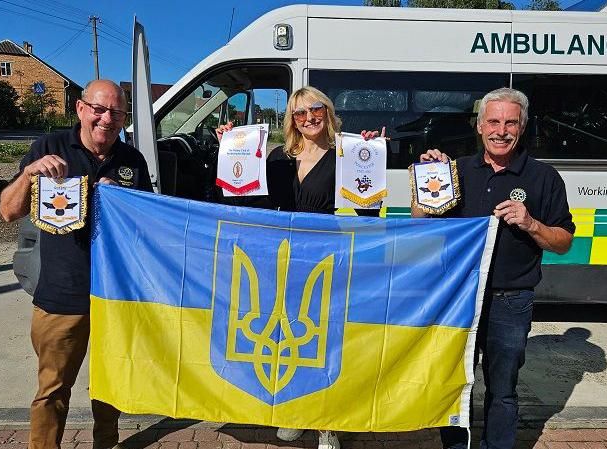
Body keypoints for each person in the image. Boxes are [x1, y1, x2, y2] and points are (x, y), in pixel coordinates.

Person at [216, 86, 382, 449]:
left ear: (328, 110)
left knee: (325, 339)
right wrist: (231, 150)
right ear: (292, 120)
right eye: (300, 114)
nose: (309, 118)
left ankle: (327, 423)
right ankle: (294, 413)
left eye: (315, 110)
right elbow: (247, 200)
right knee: (285, 336)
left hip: (327, 257)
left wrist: (371, 156)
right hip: (284, 258)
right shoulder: (277, 158)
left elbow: (369, 212)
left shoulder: (347, 154)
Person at [412, 88, 575, 449]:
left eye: (510, 122)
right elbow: (421, 220)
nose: (501, 130)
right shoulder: (456, 170)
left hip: (510, 300)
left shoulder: (544, 178)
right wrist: (429, 174)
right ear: (480, 126)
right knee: (455, 384)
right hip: (459, 298)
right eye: (494, 121)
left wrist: (532, 223)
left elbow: (564, 241)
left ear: (522, 127)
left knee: (502, 389)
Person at [0, 79, 153, 449]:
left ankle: (107, 443)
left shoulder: (132, 160)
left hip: (114, 296)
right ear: (81, 109)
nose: (107, 119)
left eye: (116, 112)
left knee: (109, 386)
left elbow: (147, 224)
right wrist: (29, 174)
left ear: (125, 118)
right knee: (52, 389)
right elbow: (8, 210)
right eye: (99, 109)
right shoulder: (49, 147)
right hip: (60, 295)